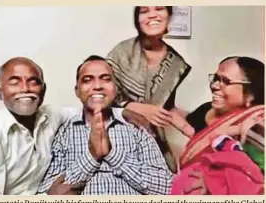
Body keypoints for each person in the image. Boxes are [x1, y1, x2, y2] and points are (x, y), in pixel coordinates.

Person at [37, 55, 173, 195]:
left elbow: (167, 188)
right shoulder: (64, 133)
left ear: (115, 89)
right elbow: (50, 192)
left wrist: (113, 154)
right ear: (77, 91)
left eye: (106, 79)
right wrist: (91, 157)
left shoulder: (136, 128)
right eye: (87, 80)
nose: (97, 86)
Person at [0, 57, 85, 195]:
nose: (25, 89)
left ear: (43, 89)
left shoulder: (51, 115)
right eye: (14, 83)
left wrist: (122, 112)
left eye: (33, 82)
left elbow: (89, 112)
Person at [106, 6, 192, 172]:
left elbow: (165, 108)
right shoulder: (121, 52)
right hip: (117, 136)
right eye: (144, 11)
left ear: (169, 15)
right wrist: (132, 106)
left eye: (159, 9)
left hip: (154, 140)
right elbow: (101, 96)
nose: (152, 15)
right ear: (137, 20)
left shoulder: (176, 64)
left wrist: (192, 131)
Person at [164, 56, 264, 195]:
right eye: (215, 78)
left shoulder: (256, 124)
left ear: (250, 94)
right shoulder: (207, 109)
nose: (215, 85)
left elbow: (251, 176)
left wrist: (213, 182)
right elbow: (197, 132)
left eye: (225, 81)